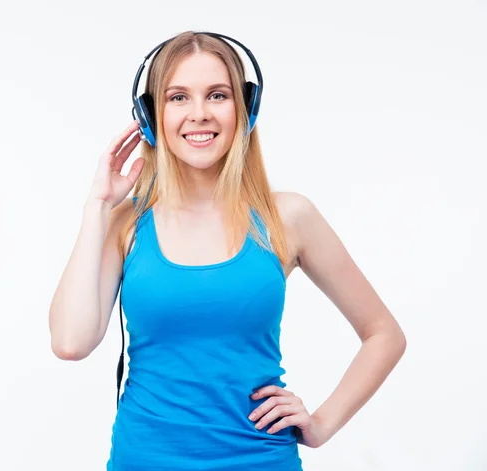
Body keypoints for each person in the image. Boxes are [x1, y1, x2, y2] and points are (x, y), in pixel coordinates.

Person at [48, 30, 407, 471]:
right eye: (177, 97)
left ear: (245, 108)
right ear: (150, 115)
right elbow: (71, 342)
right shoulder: (125, 223)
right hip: (144, 460)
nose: (199, 114)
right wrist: (97, 207)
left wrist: (321, 423)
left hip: (260, 460)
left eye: (217, 95)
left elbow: (384, 334)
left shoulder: (288, 217)